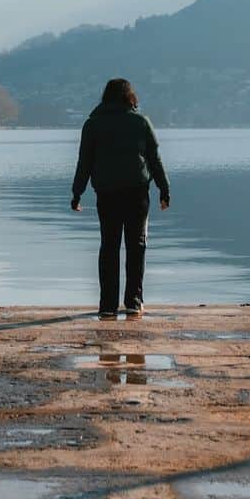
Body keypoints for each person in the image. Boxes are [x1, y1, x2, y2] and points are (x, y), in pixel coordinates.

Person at [71, 78, 170, 321]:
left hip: (107, 194)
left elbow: (84, 162)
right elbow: (155, 160)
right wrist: (164, 189)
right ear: (130, 97)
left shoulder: (92, 125)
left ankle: (107, 305)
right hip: (137, 194)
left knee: (109, 247)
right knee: (136, 246)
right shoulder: (140, 122)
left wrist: (77, 193)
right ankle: (134, 302)